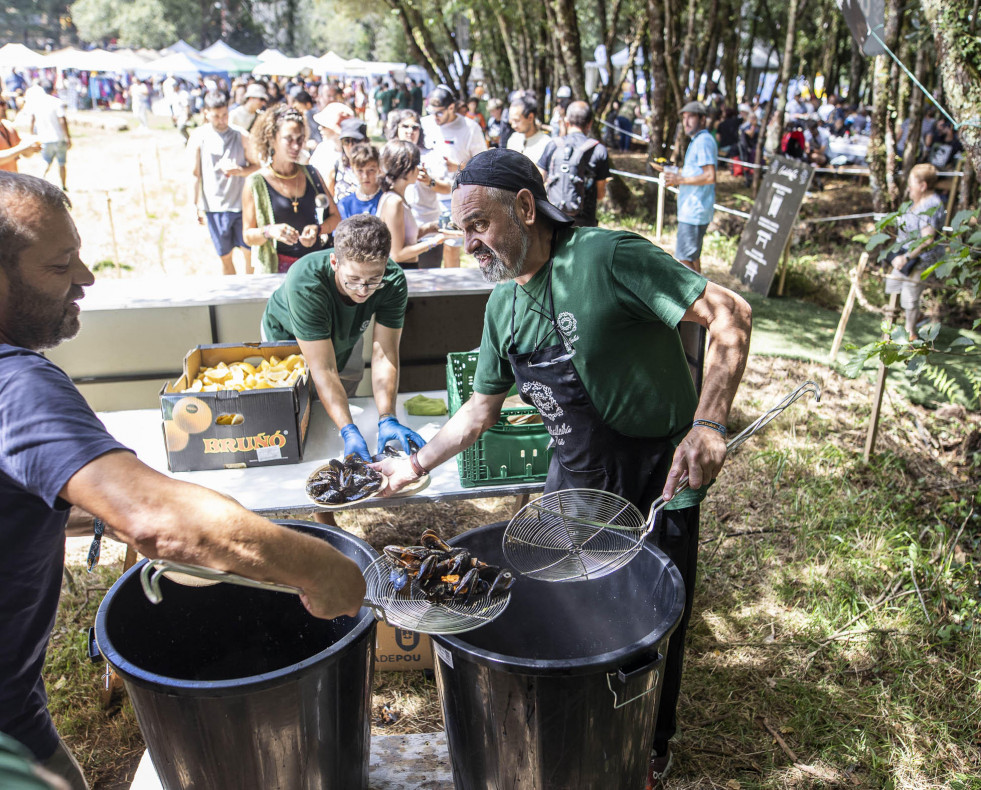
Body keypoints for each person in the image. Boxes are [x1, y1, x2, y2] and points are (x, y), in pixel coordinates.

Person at [370, 149, 752, 789]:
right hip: (574, 480)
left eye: (480, 225)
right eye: (461, 232)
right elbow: (480, 411)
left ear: (524, 207)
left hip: (659, 473)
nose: (470, 244)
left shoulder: (607, 258)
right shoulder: (502, 309)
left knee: (652, 615)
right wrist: (414, 463)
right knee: (564, 608)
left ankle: (648, 745)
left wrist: (709, 423)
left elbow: (730, 313)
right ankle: (571, 723)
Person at [0, 172, 367, 790]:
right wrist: (324, 567)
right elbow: (158, 519)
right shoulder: (19, 386)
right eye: (61, 264)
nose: (86, 278)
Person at [260, 214, 425, 460]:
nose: (363, 290)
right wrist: (348, 430)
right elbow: (323, 368)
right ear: (335, 262)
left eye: (373, 281)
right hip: (288, 340)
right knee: (299, 413)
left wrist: (387, 416)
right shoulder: (305, 281)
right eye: (354, 280)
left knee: (337, 410)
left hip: (347, 332)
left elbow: (385, 352)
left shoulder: (393, 279)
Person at [242, 105, 340, 274]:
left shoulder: (311, 173)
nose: (296, 146)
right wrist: (269, 231)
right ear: (272, 138)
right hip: (276, 272)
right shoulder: (256, 182)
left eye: (300, 139)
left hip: (314, 269)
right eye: (289, 139)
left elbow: (336, 218)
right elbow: (248, 236)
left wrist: (319, 229)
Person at [188, 90, 260, 275]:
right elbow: (195, 174)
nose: (221, 120)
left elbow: (257, 166)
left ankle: (249, 293)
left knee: (249, 253)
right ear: (206, 113)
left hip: (241, 206)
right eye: (216, 116)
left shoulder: (241, 135)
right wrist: (194, 205)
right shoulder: (199, 137)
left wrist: (241, 171)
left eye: (225, 115)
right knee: (224, 255)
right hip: (215, 207)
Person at [421, 84, 486, 267]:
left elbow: (483, 163)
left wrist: (459, 166)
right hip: (425, 196)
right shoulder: (424, 124)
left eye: (439, 113)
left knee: (452, 245)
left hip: (454, 197)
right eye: (431, 111)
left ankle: (449, 292)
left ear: (451, 107)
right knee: (424, 245)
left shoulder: (470, 128)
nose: (435, 117)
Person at [884, 163, 946, 341]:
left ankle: (909, 335)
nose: (909, 187)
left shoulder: (931, 205)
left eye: (911, 183)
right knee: (893, 287)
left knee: (909, 298)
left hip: (918, 260)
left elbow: (927, 239)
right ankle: (893, 328)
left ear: (923, 185)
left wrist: (907, 257)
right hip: (903, 255)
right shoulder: (917, 200)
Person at [387, 109, 452, 268]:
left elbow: (448, 188)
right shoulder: (388, 153)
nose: (410, 131)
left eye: (415, 127)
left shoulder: (431, 155)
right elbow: (397, 254)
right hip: (400, 235)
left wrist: (430, 182)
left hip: (425, 227)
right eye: (405, 126)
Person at [661, 101, 717, 274]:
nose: (686, 122)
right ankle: (703, 297)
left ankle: (697, 299)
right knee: (691, 257)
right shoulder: (698, 140)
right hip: (694, 209)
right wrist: (676, 174)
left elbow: (710, 176)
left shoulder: (703, 141)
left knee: (684, 260)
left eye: (691, 117)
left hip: (695, 210)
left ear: (702, 119)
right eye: (684, 118)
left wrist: (680, 178)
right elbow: (698, 172)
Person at [537, 100, 610, 227]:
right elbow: (600, 194)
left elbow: (537, 181)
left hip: (554, 220)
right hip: (585, 224)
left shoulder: (553, 145)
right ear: (590, 123)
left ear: (566, 122)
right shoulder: (598, 150)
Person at [377, 139, 447, 269]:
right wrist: (437, 240)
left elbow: (404, 237)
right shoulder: (394, 202)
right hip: (401, 271)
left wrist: (429, 228)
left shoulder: (397, 197)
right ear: (406, 169)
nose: (419, 169)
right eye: (416, 165)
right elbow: (397, 254)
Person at [23, 81, 71, 191]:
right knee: (62, 163)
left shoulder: (37, 103)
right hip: (58, 137)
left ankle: (39, 184)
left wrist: (32, 135)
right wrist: (67, 136)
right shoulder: (57, 102)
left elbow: (32, 119)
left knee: (45, 162)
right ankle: (63, 185)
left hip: (44, 138)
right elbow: (62, 120)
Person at [326, 118, 368, 206]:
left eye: (355, 140)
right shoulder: (336, 167)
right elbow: (329, 201)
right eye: (346, 141)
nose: (350, 145)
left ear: (365, 141)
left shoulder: (375, 168)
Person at [337, 142, 382, 219]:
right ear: (353, 170)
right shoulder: (345, 204)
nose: (365, 176)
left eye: (371, 170)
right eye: (360, 171)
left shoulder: (386, 200)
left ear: (379, 169)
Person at [506, 93, 551, 165]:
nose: (513, 125)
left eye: (517, 121)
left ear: (530, 117)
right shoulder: (513, 139)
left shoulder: (547, 143)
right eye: (511, 120)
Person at [0, 97, 41, 172]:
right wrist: (22, 148)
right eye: (1, 104)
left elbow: (25, 154)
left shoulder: (8, 125)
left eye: (5, 103)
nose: (5, 107)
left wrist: (32, 148)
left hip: (11, 181)